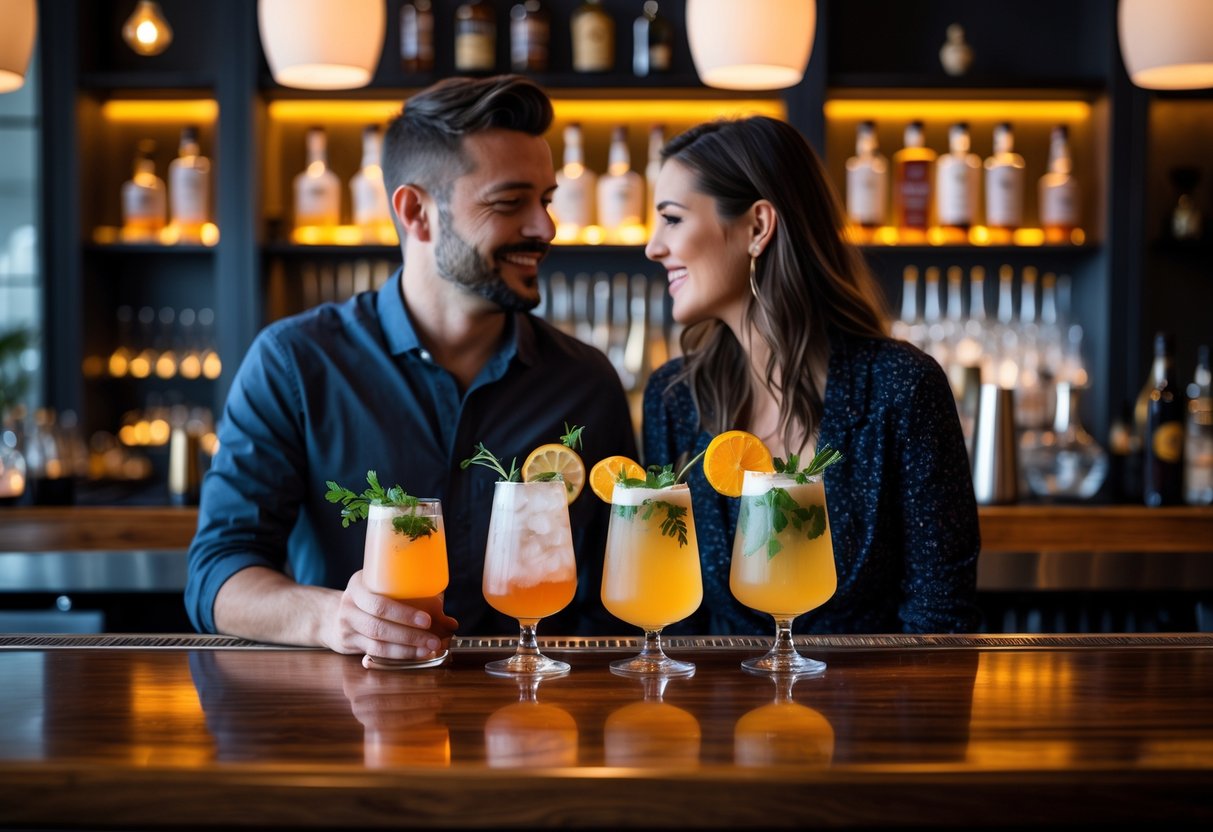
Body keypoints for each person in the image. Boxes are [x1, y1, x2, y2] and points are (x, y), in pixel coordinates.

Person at [186, 75, 637, 659]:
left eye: (546, 201)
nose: (545, 229)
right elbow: (217, 574)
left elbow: (613, 598)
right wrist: (331, 619)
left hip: (536, 722)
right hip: (352, 727)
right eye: (509, 203)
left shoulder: (585, 383)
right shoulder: (296, 364)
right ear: (417, 212)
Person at [642, 116, 980, 635]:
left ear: (758, 227)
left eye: (671, 219)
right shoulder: (676, 398)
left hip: (873, 712)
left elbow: (939, 623)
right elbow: (676, 626)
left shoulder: (902, 387)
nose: (653, 247)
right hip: (718, 714)